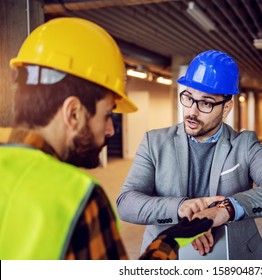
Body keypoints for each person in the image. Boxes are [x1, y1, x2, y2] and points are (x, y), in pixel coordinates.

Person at [0, 17, 211, 260]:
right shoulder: (75, 198)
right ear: (74, 113)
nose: (111, 129)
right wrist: (171, 240)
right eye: (108, 114)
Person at [116, 50, 262, 260]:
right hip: (167, 254)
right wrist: (182, 208)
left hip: (234, 256)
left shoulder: (244, 145)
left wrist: (227, 208)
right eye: (188, 97)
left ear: (226, 108)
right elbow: (126, 203)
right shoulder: (154, 142)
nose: (191, 112)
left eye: (205, 103)